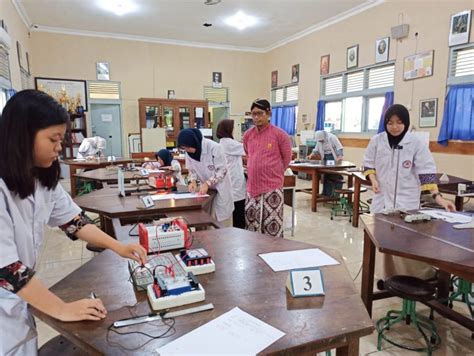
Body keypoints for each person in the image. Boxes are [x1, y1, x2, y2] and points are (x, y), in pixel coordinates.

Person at [0, 90, 147, 355]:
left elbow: (75, 222)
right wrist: (61, 308)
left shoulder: (42, 179)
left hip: (18, 301)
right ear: (22, 137)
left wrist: (119, 246)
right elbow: (7, 268)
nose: (59, 147)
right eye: (53, 139)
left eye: (62, 138)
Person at [363, 104, 456, 282]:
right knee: (383, 242)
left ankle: (410, 279)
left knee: (405, 244)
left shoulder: (415, 144)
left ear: (406, 123)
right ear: (385, 124)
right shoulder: (377, 140)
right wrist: (373, 180)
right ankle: (387, 277)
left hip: (407, 202)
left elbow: (426, 172)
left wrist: (439, 198)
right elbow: (368, 164)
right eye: (390, 122)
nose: (395, 126)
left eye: (399, 122)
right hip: (382, 199)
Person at [243, 98, 292, 238]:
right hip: (252, 187)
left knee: (272, 227)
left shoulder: (280, 135)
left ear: (269, 113)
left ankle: (273, 256)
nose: (256, 117)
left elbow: (286, 158)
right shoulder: (248, 135)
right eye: (253, 114)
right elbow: (248, 154)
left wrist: (273, 171)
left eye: (260, 113)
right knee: (251, 226)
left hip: (272, 187)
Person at [177, 128, 234, 226]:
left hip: (221, 188)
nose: (187, 150)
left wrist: (208, 182)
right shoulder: (189, 152)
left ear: (194, 142)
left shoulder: (214, 147)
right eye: (184, 148)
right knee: (207, 220)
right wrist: (193, 181)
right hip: (206, 191)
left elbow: (222, 170)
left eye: (188, 147)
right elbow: (192, 169)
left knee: (222, 222)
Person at [216, 119, 246, 229]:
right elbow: (247, 149)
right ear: (228, 130)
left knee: (236, 213)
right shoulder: (228, 143)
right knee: (239, 214)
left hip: (232, 182)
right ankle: (240, 237)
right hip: (235, 184)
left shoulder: (223, 142)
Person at [307, 130, 344, 197]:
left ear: (324, 137)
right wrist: (311, 155)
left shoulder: (332, 137)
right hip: (325, 157)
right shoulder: (319, 140)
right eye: (320, 141)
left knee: (332, 174)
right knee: (325, 175)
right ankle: (326, 193)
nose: (321, 142)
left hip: (332, 157)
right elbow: (316, 149)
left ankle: (333, 195)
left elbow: (339, 147)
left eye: (322, 141)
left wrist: (340, 156)